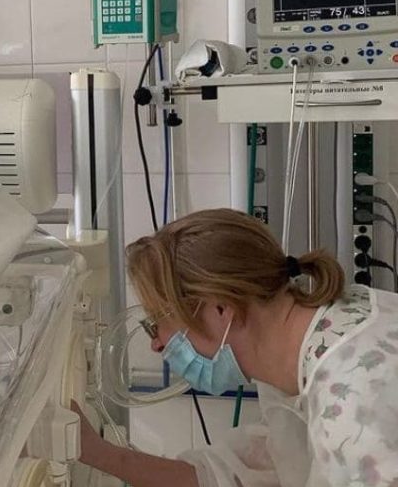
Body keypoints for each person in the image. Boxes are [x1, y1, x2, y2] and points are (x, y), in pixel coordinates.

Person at [74, 208, 398, 487]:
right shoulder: (307, 352)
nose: (156, 343)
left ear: (221, 308)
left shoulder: (354, 402)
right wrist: (96, 452)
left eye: (158, 321)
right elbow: (236, 475)